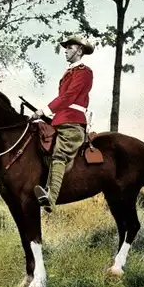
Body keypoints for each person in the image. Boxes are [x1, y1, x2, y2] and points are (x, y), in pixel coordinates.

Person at [31, 36, 94, 212]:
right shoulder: (70, 71)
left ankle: (50, 199)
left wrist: (43, 110)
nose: (65, 50)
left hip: (72, 123)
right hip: (61, 120)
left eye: (69, 47)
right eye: (65, 47)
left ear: (79, 50)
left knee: (59, 155)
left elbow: (68, 97)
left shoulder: (84, 72)